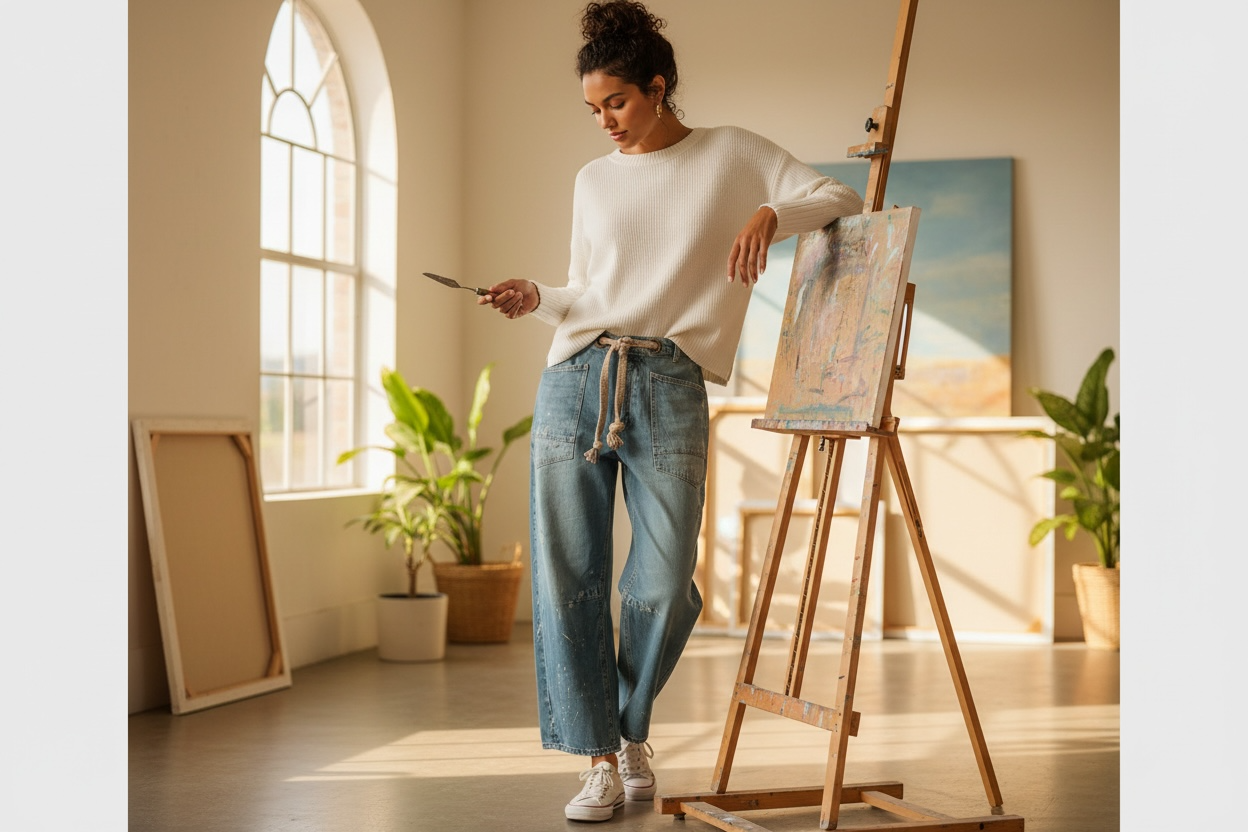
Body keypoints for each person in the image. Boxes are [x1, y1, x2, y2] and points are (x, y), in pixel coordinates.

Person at [478, 0, 863, 822]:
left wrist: (771, 213)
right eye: (593, 109)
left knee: (662, 578)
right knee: (569, 576)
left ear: (657, 88)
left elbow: (840, 193)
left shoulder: (733, 153)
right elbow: (588, 289)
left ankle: (628, 728)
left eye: (616, 102)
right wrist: (538, 296)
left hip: (668, 379)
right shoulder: (592, 180)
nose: (605, 122)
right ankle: (599, 759)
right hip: (576, 376)